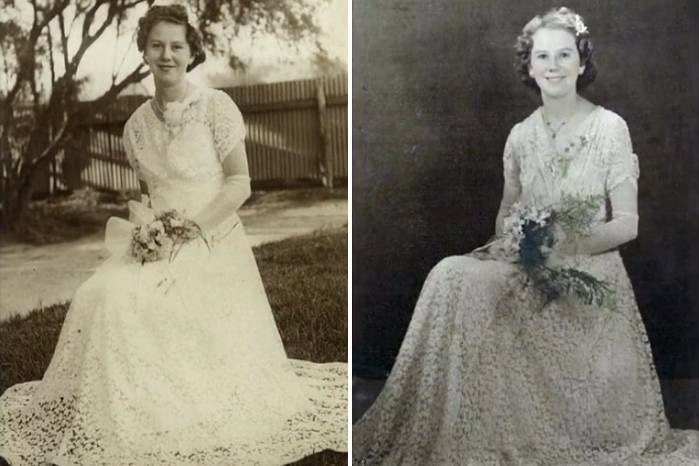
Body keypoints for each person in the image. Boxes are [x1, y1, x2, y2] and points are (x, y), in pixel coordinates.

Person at [0, 3, 346, 465]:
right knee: (102, 292)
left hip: (212, 239)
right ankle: (126, 411)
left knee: (140, 302)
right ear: (144, 50)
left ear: (191, 53)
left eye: (176, 46)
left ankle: (179, 406)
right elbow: (149, 194)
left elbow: (239, 184)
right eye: (157, 45)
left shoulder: (216, 108)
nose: (166, 55)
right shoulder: (134, 126)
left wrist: (193, 230)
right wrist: (149, 234)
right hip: (157, 242)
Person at [352, 7, 699, 465]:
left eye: (564, 55)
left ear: (581, 62)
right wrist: (516, 240)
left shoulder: (609, 128)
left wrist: (564, 245)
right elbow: (505, 214)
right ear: (529, 67)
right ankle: (455, 428)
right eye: (543, 57)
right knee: (449, 273)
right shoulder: (520, 136)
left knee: (469, 283)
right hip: (529, 265)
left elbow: (627, 224)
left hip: (586, 271)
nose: (553, 66)